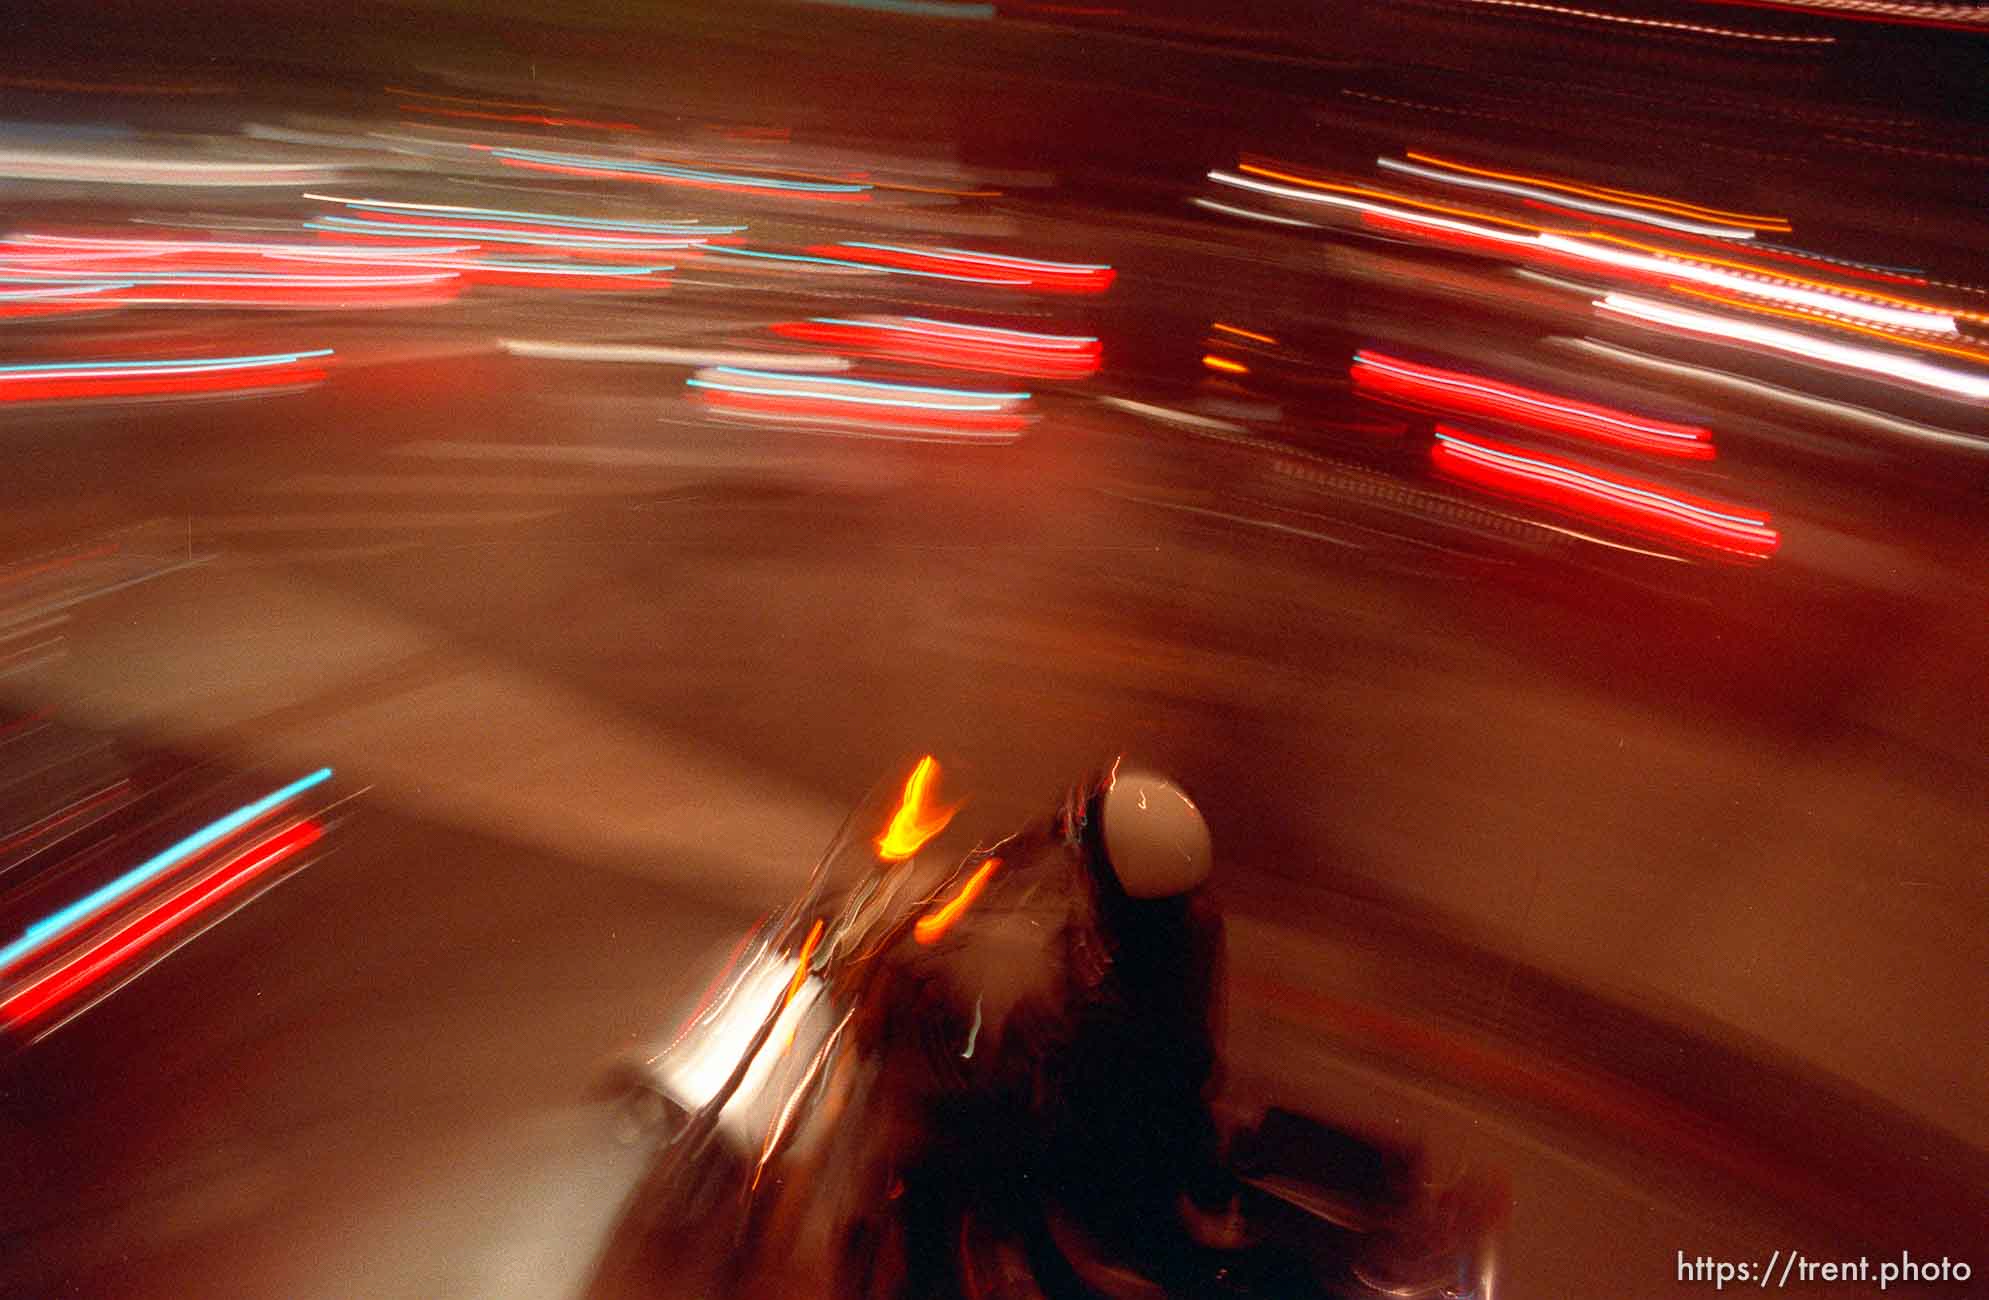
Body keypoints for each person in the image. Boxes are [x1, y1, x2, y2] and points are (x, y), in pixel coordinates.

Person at [845, 759, 1237, 1296]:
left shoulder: (1112, 1019)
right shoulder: (1182, 923)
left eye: (1094, 864)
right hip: (1156, 1145)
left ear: (1114, 877)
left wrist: (944, 1055)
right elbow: (1086, 831)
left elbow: (1039, 1085)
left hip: (1095, 1188)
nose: (1085, 872)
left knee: (933, 1174)